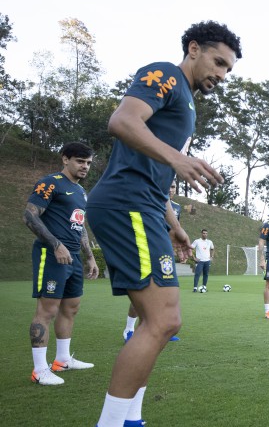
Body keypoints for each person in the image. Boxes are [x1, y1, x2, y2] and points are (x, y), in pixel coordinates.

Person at [86, 21, 241, 427]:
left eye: (228, 69)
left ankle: (131, 417)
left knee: (148, 320)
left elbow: (152, 170)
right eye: (218, 62)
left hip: (147, 206)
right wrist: (176, 158)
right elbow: (122, 121)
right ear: (194, 48)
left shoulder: (187, 101)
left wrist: (174, 223)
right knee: (165, 320)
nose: (221, 75)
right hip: (126, 204)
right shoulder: (165, 73)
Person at [24, 142, 99, 386]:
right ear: (65, 159)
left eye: (88, 163)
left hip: (74, 257)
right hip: (52, 254)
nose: (85, 166)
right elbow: (30, 215)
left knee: (71, 308)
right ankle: (39, 370)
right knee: (47, 311)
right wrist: (56, 244)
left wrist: (89, 256)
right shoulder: (50, 183)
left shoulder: (80, 192)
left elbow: (80, 225)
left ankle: (63, 359)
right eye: (80, 161)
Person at [123, 180, 182, 342]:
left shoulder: (176, 208)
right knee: (143, 289)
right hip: (145, 248)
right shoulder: (148, 200)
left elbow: (173, 230)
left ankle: (160, 327)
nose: (170, 189)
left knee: (162, 291)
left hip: (164, 252)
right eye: (168, 186)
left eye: (173, 187)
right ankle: (129, 329)